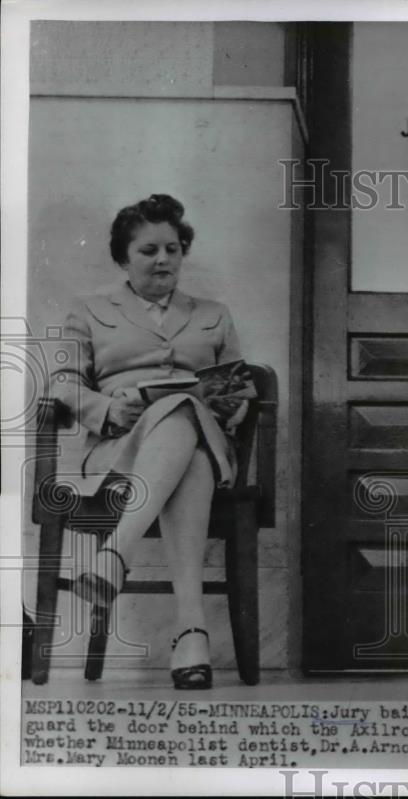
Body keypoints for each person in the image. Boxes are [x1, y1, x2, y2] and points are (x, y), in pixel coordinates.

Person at [50, 194, 251, 690]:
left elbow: (241, 388)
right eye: (148, 251)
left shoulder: (214, 314)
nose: (163, 259)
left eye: (172, 249)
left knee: (185, 410)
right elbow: (61, 384)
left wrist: (235, 402)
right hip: (121, 449)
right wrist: (108, 408)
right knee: (185, 426)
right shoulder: (90, 311)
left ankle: (114, 555)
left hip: (201, 439)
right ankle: (191, 636)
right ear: (124, 258)